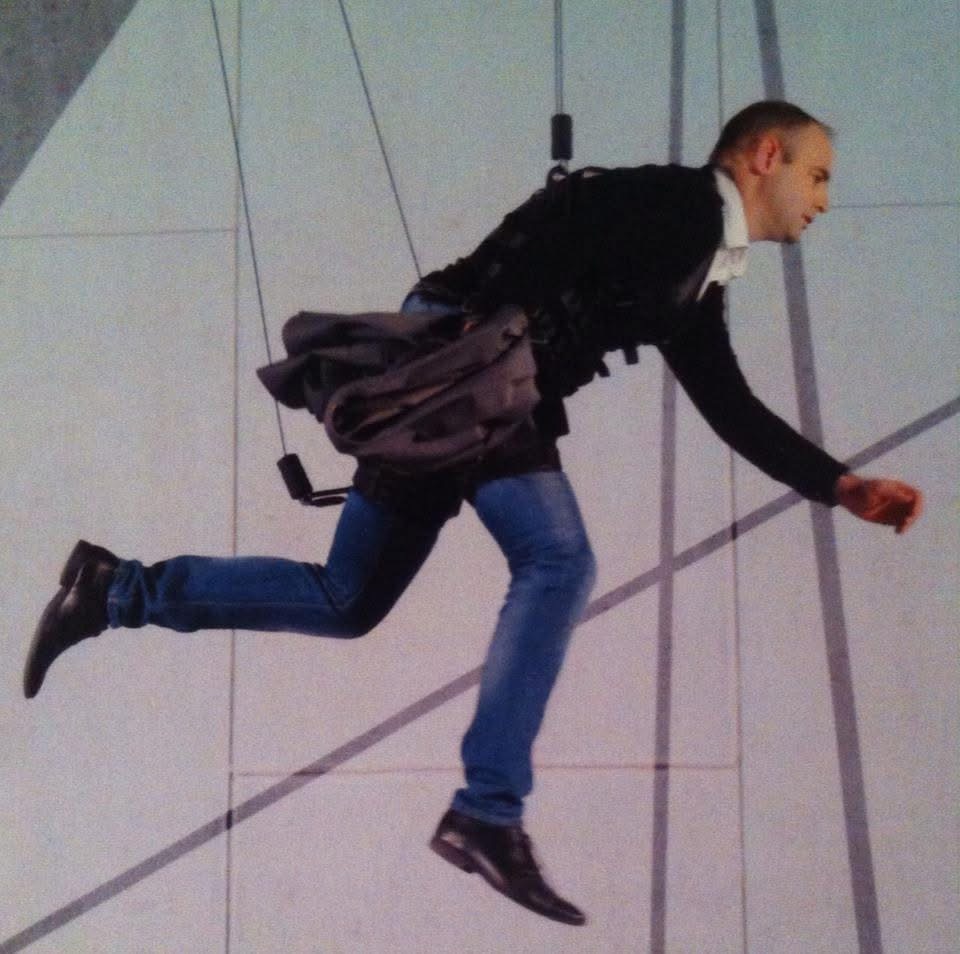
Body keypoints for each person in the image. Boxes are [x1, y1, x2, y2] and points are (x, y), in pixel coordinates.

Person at [24, 101, 922, 926]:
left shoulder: (696, 276)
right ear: (765, 156)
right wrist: (474, 339)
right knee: (559, 561)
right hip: (468, 368)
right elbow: (563, 219)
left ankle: (113, 591)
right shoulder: (679, 207)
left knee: (346, 598)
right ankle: (487, 812)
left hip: (476, 376)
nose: (824, 200)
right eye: (817, 175)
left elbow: (728, 405)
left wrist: (839, 485)